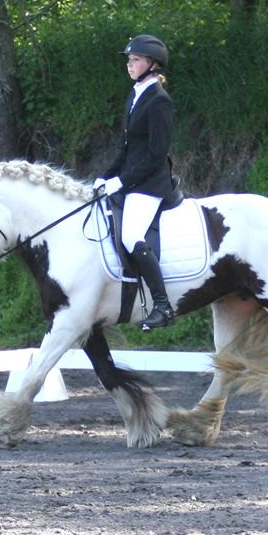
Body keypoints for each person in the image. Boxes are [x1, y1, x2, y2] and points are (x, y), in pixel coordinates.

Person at [94, 34, 177, 330]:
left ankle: (163, 306)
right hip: (131, 180)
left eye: (136, 60)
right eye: (129, 60)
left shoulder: (159, 102)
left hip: (151, 183)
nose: (130, 65)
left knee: (130, 236)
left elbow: (156, 154)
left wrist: (122, 182)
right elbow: (126, 148)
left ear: (152, 65)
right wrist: (106, 176)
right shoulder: (136, 94)